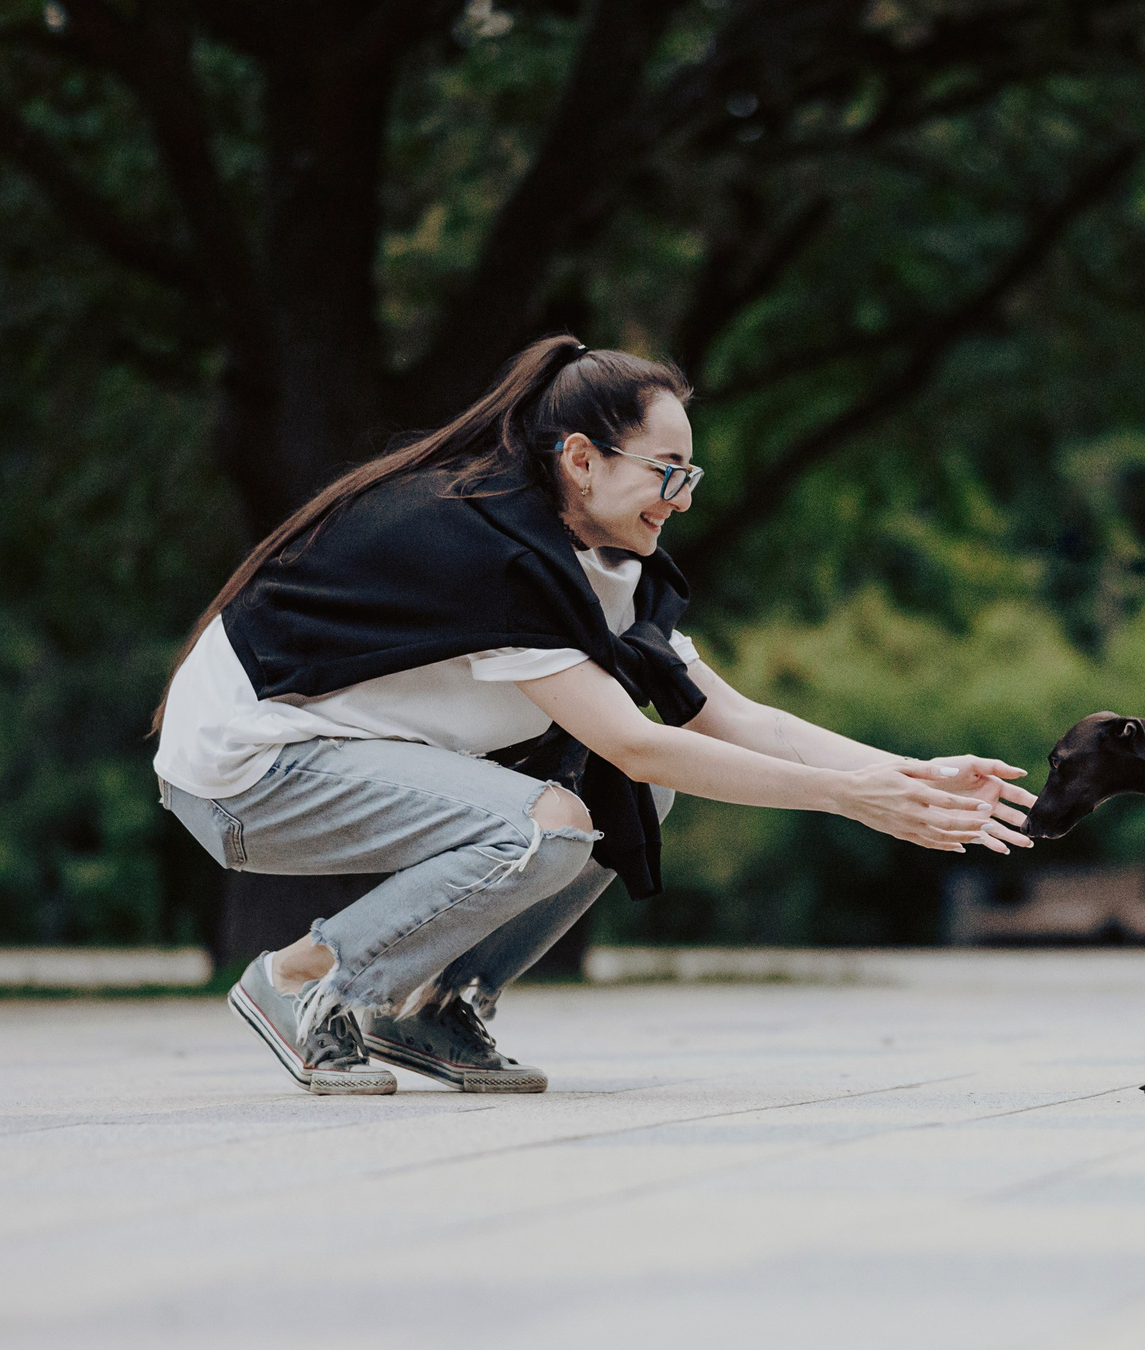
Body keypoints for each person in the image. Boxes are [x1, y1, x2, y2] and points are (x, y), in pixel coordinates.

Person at [153, 334, 1034, 1096]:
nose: (684, 497)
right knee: (549, 825)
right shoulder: (497, 551)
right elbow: (636, 742)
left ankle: (436, 1007)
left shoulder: (611, 563)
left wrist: (907, 774)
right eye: (667, 471)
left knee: (629, 803)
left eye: (691, 473)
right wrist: (849, 798)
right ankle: (305, 979)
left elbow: (731, 717)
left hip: (333, 756)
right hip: (246, 775)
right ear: (581, 459)